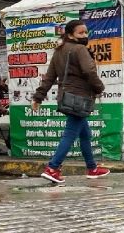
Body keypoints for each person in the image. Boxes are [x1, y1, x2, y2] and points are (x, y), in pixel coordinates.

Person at [32, 19, 110, 183]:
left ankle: (92, 168)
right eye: (80, 33)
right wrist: (99, 87)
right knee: (70, 134)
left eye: (86, 32)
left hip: (67, 97)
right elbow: (89, 71)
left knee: (85, 134)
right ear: (70, 35)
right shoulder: (80, 49)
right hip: (79, 99)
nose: (84, 35)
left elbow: (49, 77)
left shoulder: (59, 51)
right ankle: (53, 168)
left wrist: (38, 97)